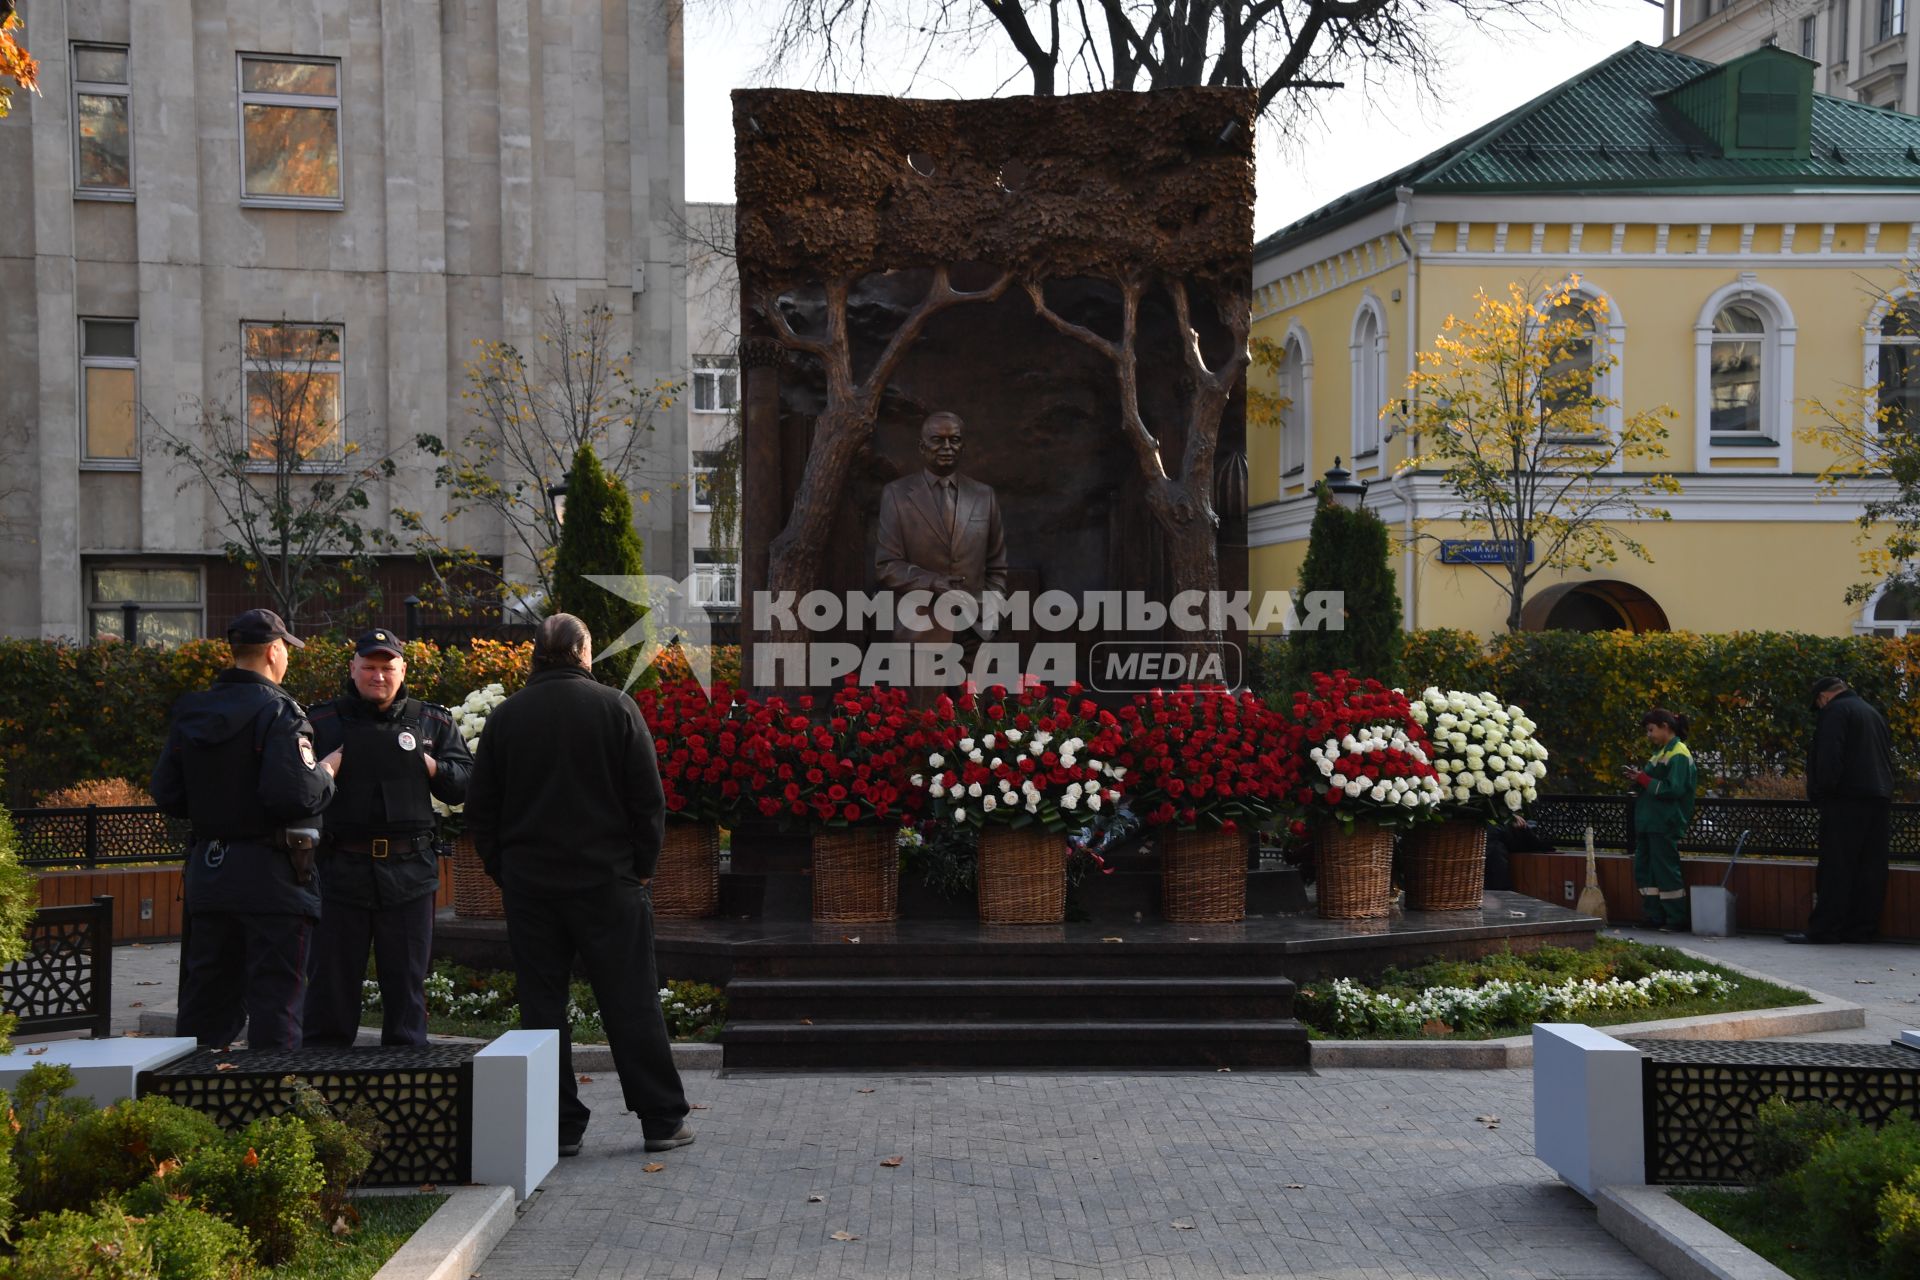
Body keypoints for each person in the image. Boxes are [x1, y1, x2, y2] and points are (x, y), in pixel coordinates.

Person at [465, 614, 691, 1158]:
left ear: (534, 656)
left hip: (532, 889)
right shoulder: (616, 708)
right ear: (584, 652)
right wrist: (641, 868)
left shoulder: (506, 719)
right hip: (608, 882)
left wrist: (505, 870)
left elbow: (481, 811)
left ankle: (558, 1127)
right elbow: (648, 802)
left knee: (541, 1009)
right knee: (631, 1000)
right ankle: (660, 1119)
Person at [151, 609, 336, 1049]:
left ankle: (193, 1104)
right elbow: (292, 795)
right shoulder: (280, 713)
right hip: (274, 881)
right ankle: (273, 1108)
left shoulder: (193, 710)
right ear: (274, 651)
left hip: (209, 875)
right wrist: (325, 775)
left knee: (207, 1002)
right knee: (277, 1004)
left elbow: (169, 794)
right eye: (286, 650)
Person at [303, 629, 473, 1047]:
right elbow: (294, 789)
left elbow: (466, 784)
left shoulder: (432, 721)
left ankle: (408, 1080)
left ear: (403, 670)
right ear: (353, 668)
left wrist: (431, 766)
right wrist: (324, 768)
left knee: (407, 993)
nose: (378, 676)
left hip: (409, 875)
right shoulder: (321, 722)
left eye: (387, 667)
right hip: (340, 872)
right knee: (330, 994)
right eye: (370, 667)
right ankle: (323, 1088)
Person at [875, 411, 1011, 678]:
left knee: (974, 718)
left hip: (975, 632)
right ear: (922, 446)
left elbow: (997, 566)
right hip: (921, 632)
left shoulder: (984, 496)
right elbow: (886, 565)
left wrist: (990, 614)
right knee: (924, 720)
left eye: (954, 440)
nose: (947, 447)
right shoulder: (897, 494)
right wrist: (933, 582)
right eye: (937, 440)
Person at [1792, 676, 1894, 944]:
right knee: (1870, 867)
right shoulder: (1871, 712)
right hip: (1879, 798)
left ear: (1823, 697)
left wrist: (1823, 792)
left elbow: (1829, 757)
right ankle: (1862, 928)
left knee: (1836, 866)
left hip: (1846, 799)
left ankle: (1825, 929)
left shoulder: (1835, 712)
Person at [1629, 709, 1696, 931]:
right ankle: (1653, 915)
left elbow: (1674, 789)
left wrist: (1643, 779)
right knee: (1646, 869)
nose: (1649, 735)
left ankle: (1676, 918)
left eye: (1651, 729)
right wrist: (1637, 779)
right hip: (1649, 821)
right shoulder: (1660, 752)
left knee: (1665, 869)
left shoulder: (1678, 753)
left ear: (1665, 727)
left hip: (1665, 821)